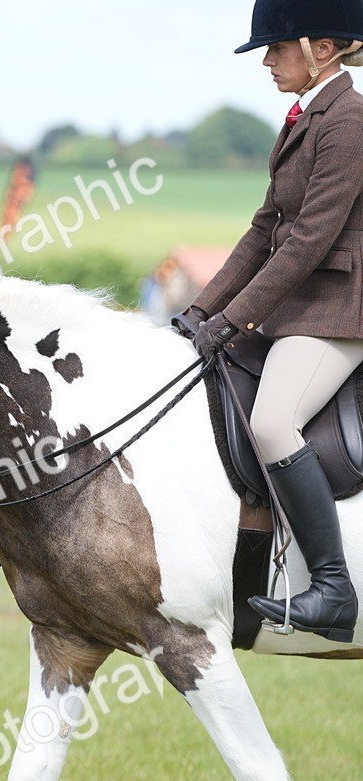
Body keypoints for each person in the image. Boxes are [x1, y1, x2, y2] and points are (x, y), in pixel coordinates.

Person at [174, 0, 363, 642]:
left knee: (274, 421)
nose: (266, 60)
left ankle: (334, 589)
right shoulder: (303, 118)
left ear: (325, 48)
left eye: (278, 48)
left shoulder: (350, 121)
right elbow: (264, 231)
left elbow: (309, 240)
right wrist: (200, 310)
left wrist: (234, 319)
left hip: (340, 310)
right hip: (301, 308)